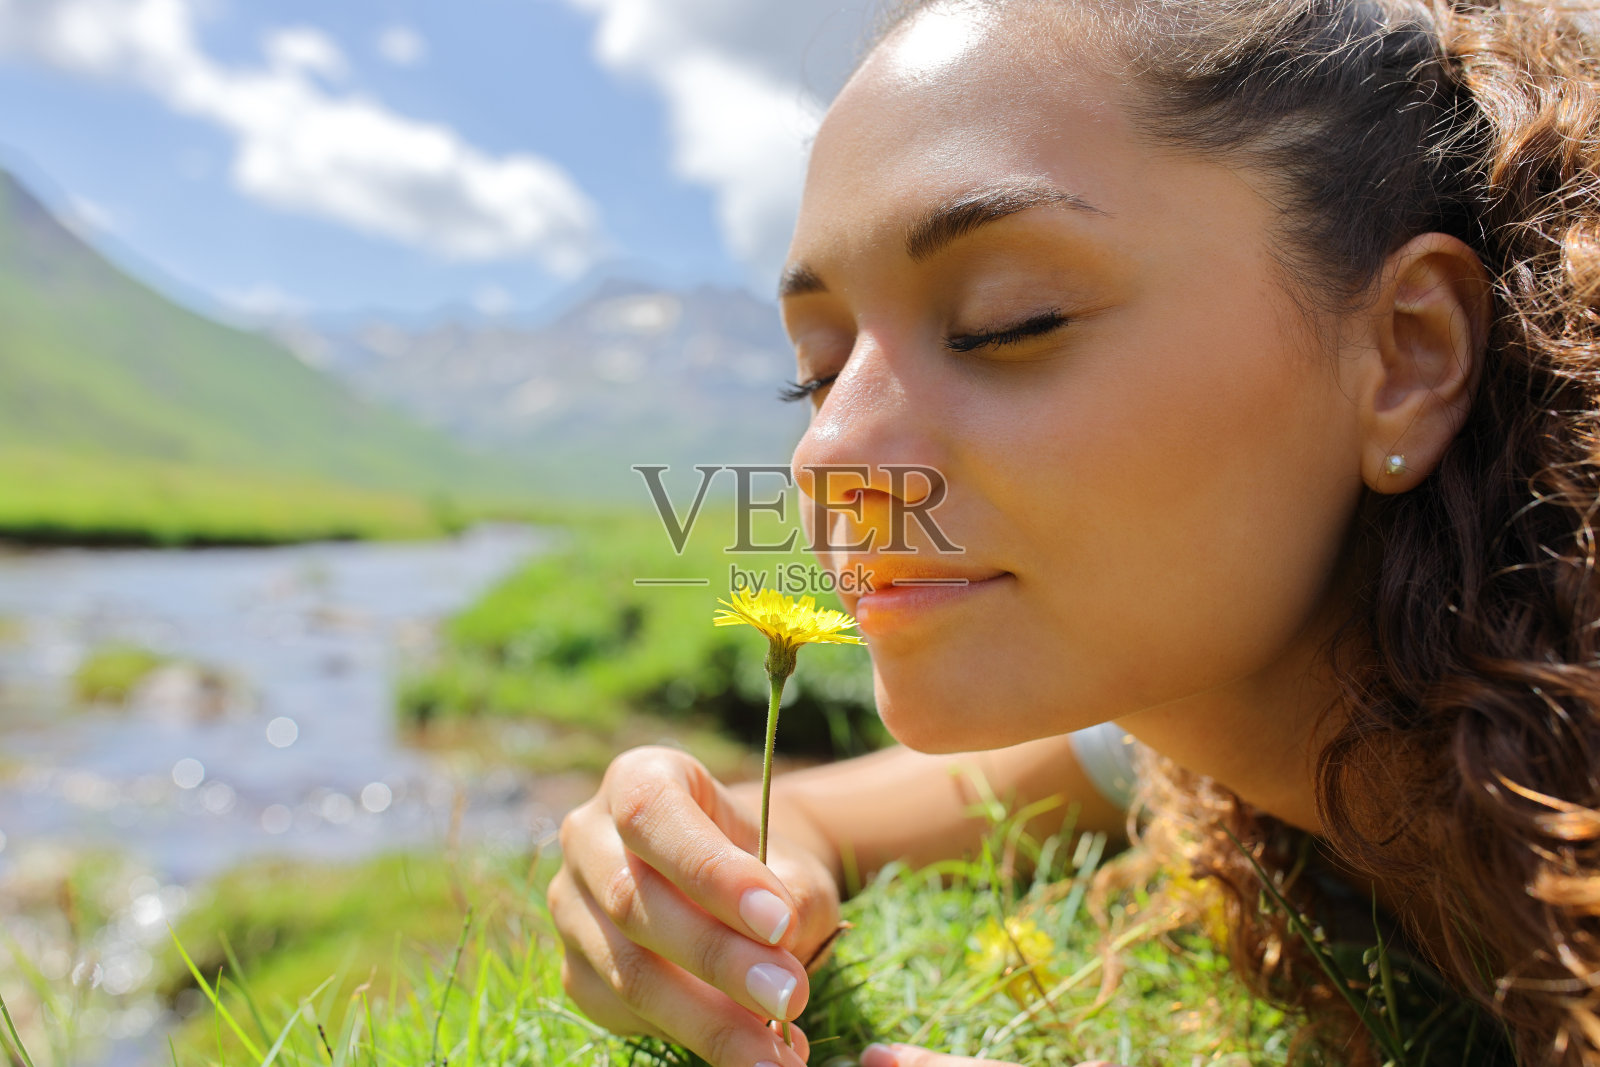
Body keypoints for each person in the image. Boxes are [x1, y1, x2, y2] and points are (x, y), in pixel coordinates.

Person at [547, 0, 1600, 1063]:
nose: (826, 456)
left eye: (1009, 320)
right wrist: (705, 869)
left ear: (1407, 353)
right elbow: (822, 823)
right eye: (817, 372)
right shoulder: (1197, 722)